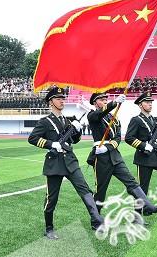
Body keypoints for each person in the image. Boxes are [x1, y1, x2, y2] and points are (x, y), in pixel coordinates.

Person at [28, 86, 103, 240]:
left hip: (70, 160)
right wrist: (50, 144)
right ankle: (49, 228)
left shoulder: (67, 120)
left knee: (85, 190)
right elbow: (32, 138)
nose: (62, 101)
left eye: (63, 99)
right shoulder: (45, 122)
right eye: (58, 99)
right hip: (54, 163)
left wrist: (77, 130)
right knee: (51, 198)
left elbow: (74, 139)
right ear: (51, 102)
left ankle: (97, 219)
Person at [87, 92, 157, 217]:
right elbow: (99, 114)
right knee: (101, 191)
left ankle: (147, 204)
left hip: (114, 155)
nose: (105, 101)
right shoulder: (92, 115)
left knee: (131, 182)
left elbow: (117, 137)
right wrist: (114, 103)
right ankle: (96, 218)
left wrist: (109, 147)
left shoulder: (114, 118)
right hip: (101, 158)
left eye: (106, 99)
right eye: (102, 100)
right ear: (95, 103)